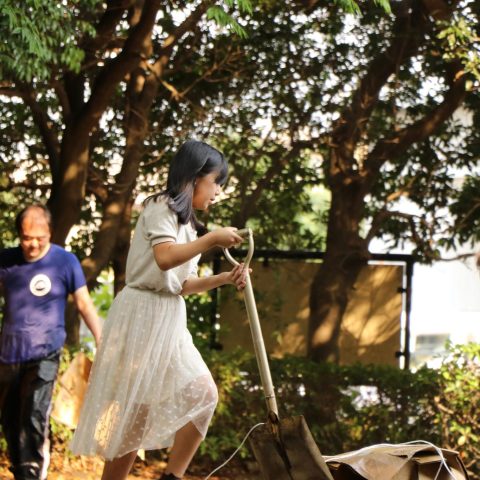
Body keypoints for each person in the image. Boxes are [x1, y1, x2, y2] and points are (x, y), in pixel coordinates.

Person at [70, 139, 248, 480]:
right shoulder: (160, 206)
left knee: (204, 393)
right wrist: (212, 239)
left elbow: (181, 284)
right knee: (135, 413)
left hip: (170, 316)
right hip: (140, 313)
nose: (218, 191)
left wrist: (225, 278)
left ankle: (172, 476)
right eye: (216, 182)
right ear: (195, 177)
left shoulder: (190, 225)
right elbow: (165, 258)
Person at [0, 204, 102, 480]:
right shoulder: (6, 261)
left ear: (50, 233)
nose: (33, 244)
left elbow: (84, 303)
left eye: (40, 238)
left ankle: (32, 472)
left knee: (35, 413)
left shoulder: (65, 262)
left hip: (46, 352)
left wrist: (102, 340)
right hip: (8, 354)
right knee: (10, 418)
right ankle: (22, 469)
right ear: (19, 235)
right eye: (26, 238)